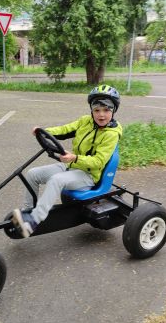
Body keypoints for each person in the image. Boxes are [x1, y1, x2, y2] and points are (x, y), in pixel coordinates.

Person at [12, 84, 123, 238]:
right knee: (32, 174)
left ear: (114, 110)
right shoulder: (85, 121)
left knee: (56, 180)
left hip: (89, 176)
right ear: (91, 110)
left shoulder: (111, 134)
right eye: (97, 110)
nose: (101, 115)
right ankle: (28, 212)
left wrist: (75, 157)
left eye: (106, 110)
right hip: (71, 166)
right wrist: (43, 131)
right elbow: (65, 130)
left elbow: (98, 162)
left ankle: (34, 221)